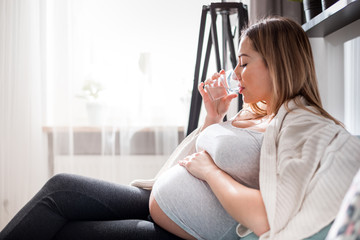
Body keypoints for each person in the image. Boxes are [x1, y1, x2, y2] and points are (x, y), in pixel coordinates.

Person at [1, 16, 360, 240]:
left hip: (186, 229)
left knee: (64, 226)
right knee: (61, 189)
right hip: (160, 204)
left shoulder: (299, 124)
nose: (235, 74)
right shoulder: (255, 114)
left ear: (278, 66)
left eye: (244, 63)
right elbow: (204, 154)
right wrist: (214, 116)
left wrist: (210, 172)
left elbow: (267, 216)